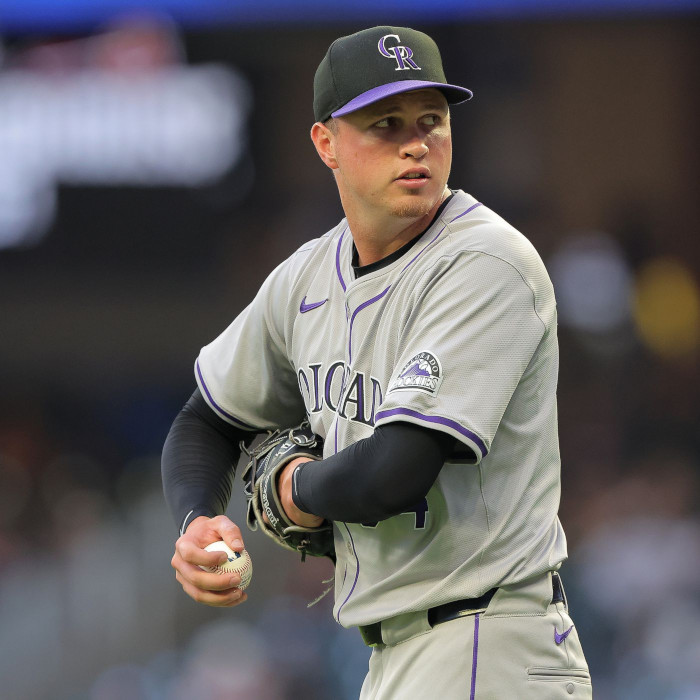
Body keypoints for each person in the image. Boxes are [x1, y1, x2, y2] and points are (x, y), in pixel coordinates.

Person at [162, 25, 592, 699]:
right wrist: (198, 522)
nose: (416, 143)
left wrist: (288, 489)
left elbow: (395, 471)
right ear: (326, 143)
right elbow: (206, 421)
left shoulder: (484, 261)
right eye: (385, 124)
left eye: (431, 121)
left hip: (487, 639)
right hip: (398, 653)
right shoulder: (305, 278)